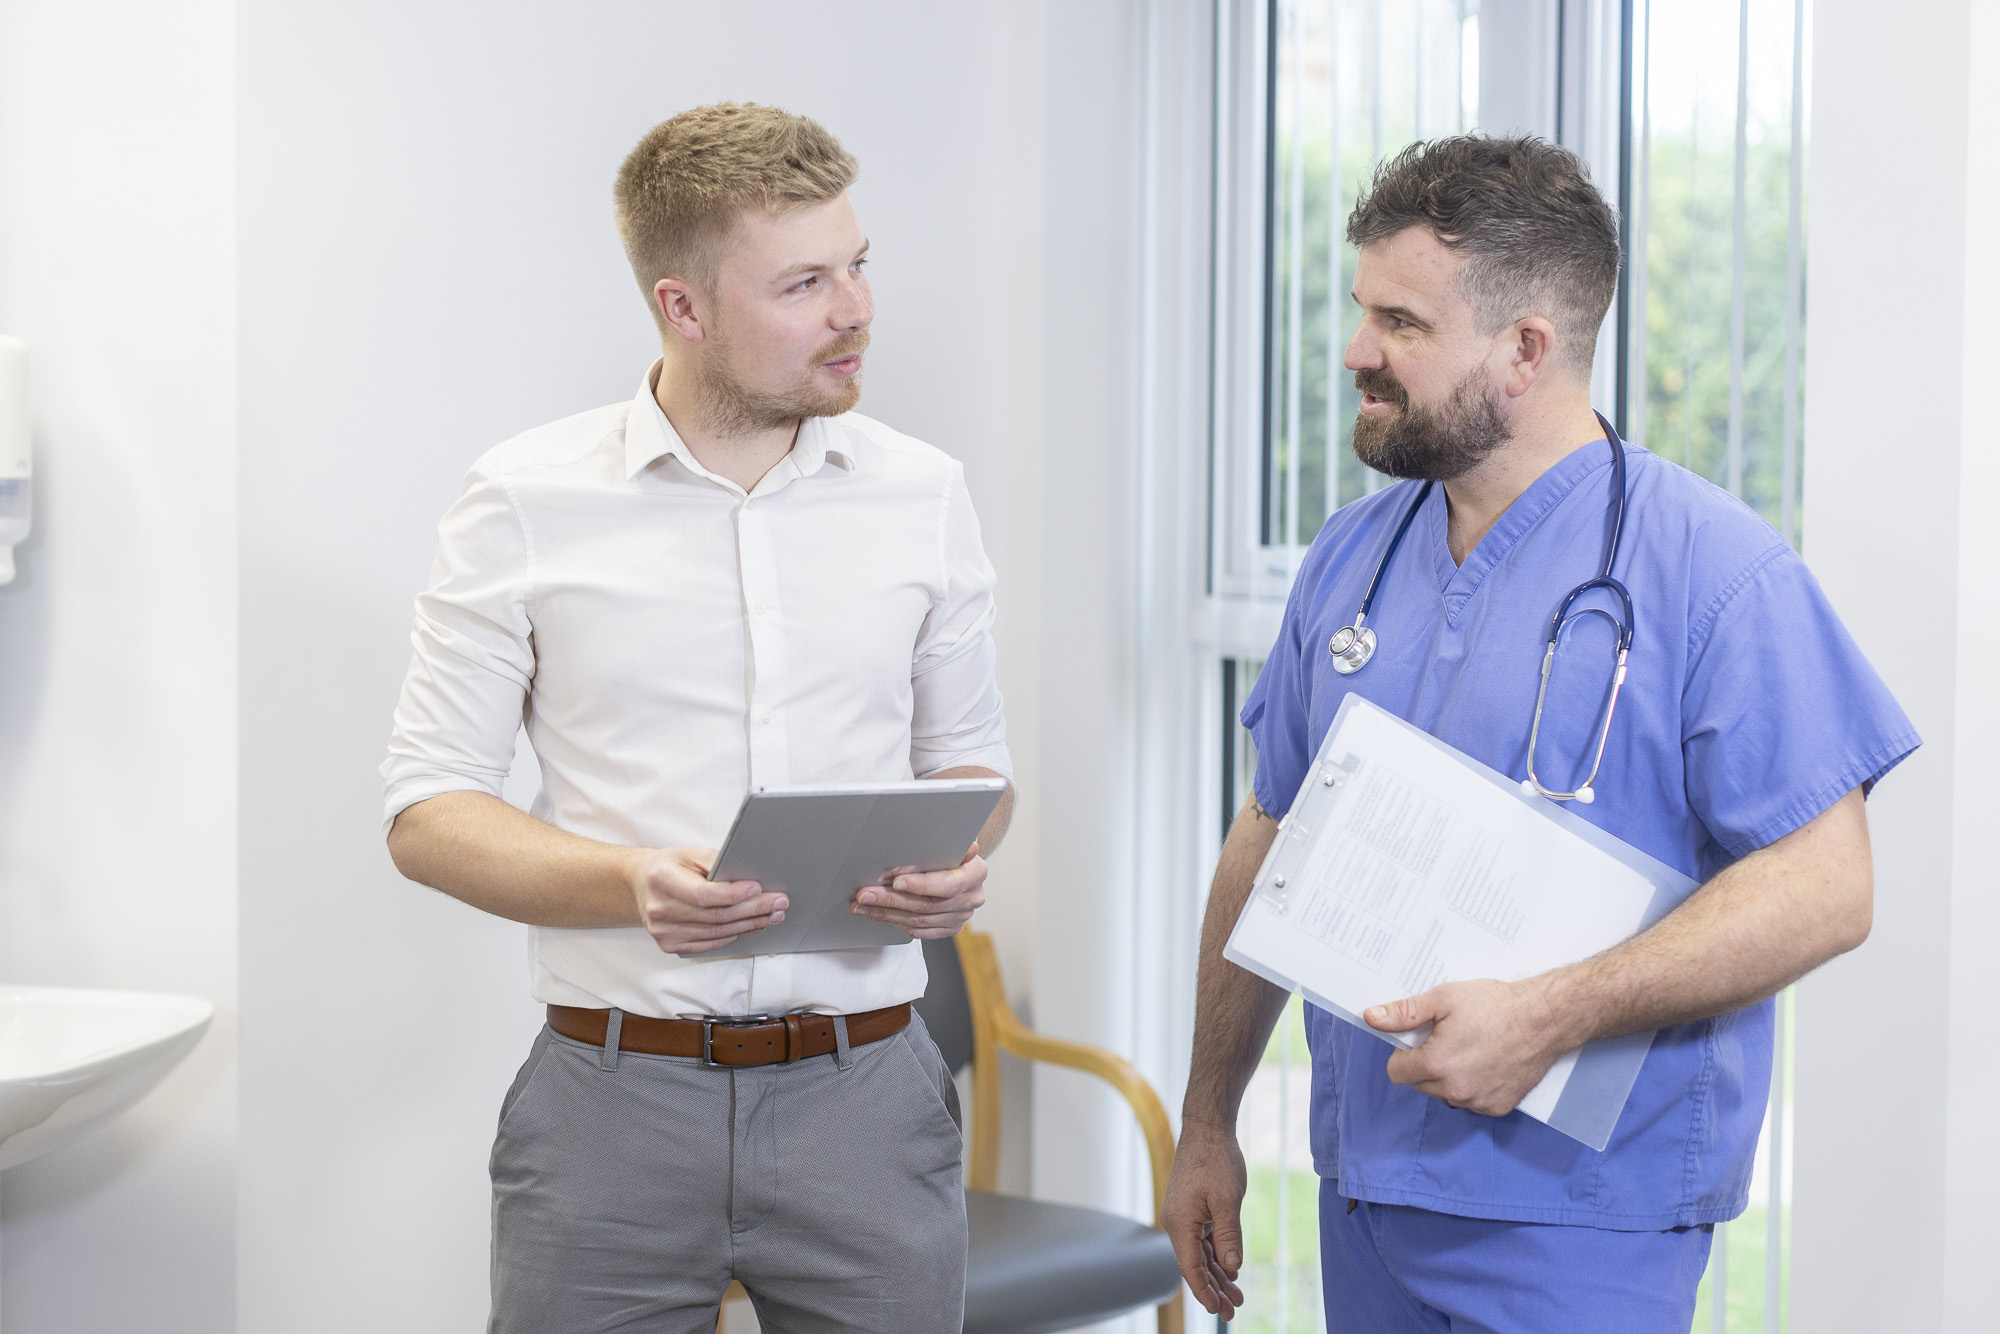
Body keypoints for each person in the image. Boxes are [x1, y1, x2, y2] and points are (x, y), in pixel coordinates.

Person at [1162, 135, 1916, 1333]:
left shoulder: (1713, 571)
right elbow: (1269, 841)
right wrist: (1207, 1117)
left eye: (1400, 322)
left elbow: (1828, 886)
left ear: (1525, 348)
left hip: (1581, 1224)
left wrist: (1552, 1012)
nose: (1357, 351)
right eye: (1362, 312)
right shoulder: (1352, 558)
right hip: (1363, 1197)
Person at [380, 103, 1012, 1333]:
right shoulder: (523, 498)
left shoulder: (922, 495)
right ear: (683, 307)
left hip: (869, 1100)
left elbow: (973, 764)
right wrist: (630, 880)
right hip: (610, 1109)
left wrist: (963, 855)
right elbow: (426, 808)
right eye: (803, 283)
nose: (857, 310)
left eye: (858, 264)